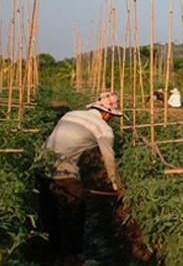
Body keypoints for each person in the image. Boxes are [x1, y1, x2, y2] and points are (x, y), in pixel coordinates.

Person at [39, 92, 123, 265]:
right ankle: (73, 259)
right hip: (64, 174)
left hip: (41, 167)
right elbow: (109, 159)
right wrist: (116, 184)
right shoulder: (104, 129)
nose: (111, 119)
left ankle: (55, 257)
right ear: (107, 114)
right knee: (74, 215)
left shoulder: (70, 114)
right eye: (112, 116)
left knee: (51, 216)